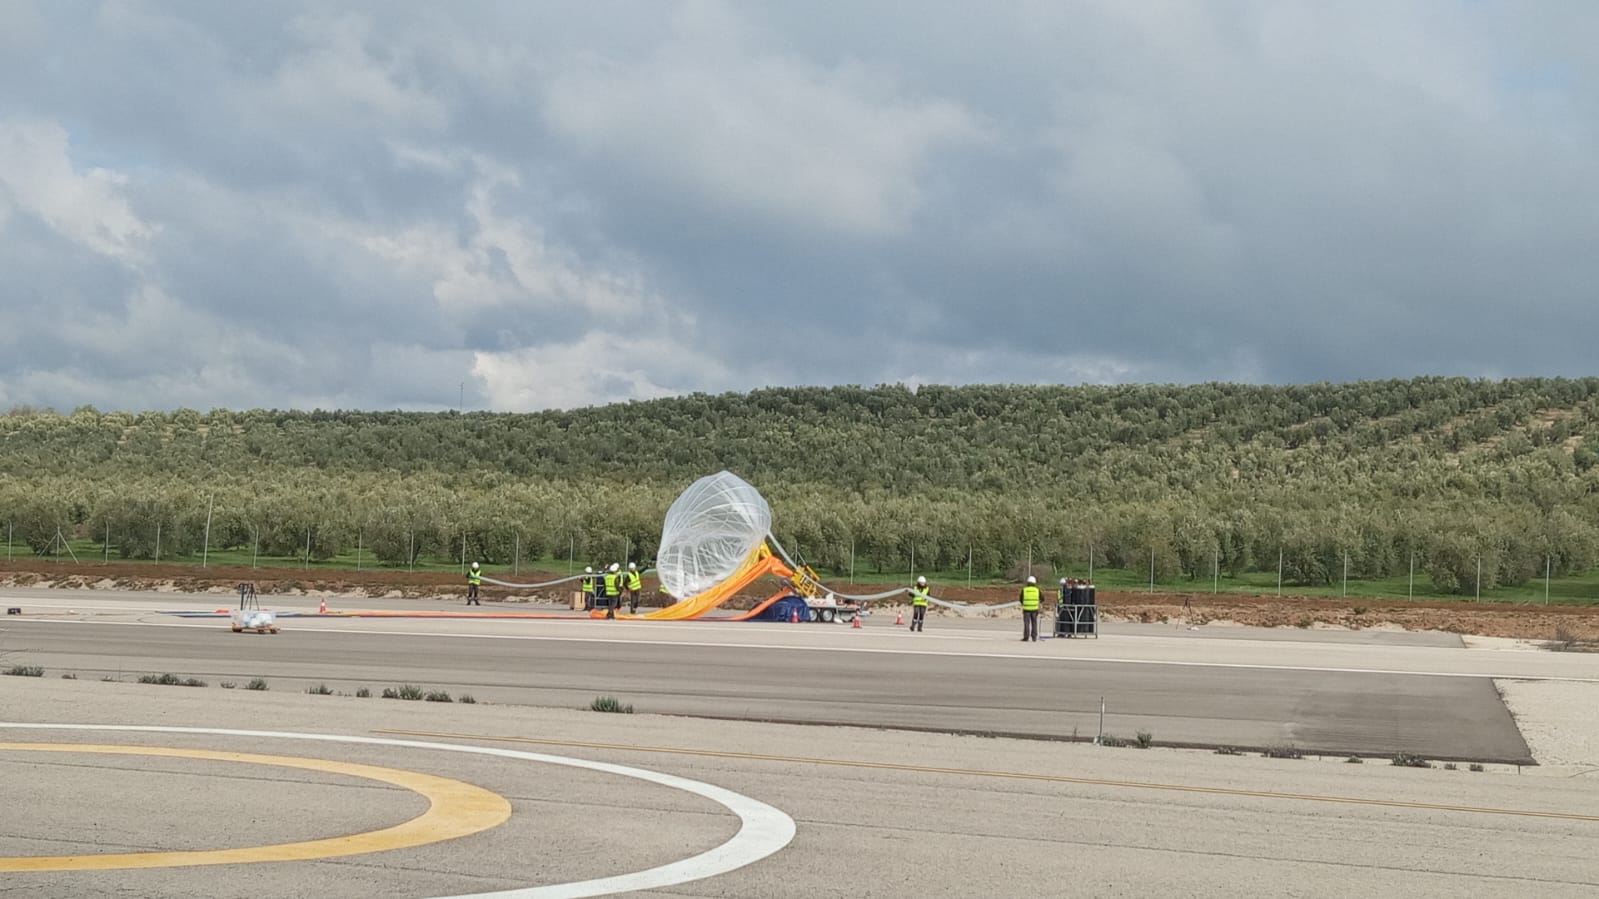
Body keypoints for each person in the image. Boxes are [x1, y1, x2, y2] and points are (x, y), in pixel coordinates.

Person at [1019, 575, 1041, 641]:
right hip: (1035, 609)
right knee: (1034, 623)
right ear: (1034, 582)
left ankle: (1026, 637)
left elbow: (1021, 599)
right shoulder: (1037, 590)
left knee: (1026, 623)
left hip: (1026, 609)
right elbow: (1042, 598)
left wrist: (1024, 603)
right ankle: (1034, 637)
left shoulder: (1024, 590)